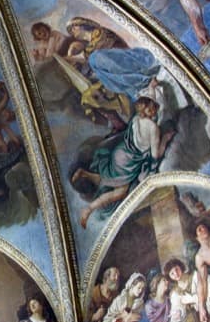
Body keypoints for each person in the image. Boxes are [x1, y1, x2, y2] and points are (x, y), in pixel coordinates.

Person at [72, 96, 170, 228]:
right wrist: (164, 140)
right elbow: (155, 155)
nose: (153, 110)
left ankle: (86, 174)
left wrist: (151, 90)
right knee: (119, 193)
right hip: (128, 164)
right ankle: (89, 209)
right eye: (151, 108)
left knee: (108, 177)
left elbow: (147, 102)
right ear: (148, 109)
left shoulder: (136, 119)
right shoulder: (153, 128)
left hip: (120, 152)